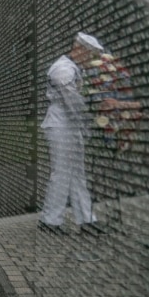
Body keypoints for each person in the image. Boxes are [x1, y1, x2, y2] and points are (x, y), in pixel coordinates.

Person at [38, 32, 105, 235]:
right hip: (61, 125)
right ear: (79, 49)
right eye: (89, 54)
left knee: (77, 175)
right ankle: (50, 220)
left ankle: (86, 219)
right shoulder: (63, 69)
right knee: (62, 173)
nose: (90, 59)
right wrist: (89, 119)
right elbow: (71, 101)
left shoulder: (72, 68)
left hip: (70, 126)